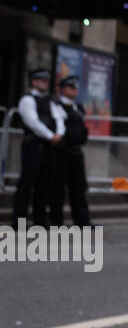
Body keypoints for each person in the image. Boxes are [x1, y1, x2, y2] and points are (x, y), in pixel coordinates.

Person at [12, 69, 64, 228]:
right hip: (33, 146)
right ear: (33, 82)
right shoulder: (27, 100)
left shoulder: (49, 101)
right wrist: (50, 135)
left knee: (44, 184)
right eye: (41, 80)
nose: (45, 83)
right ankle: (19, 221)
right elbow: (33, 122)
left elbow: (59, 118)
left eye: (46, 81)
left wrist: (59, 134)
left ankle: (40, 220)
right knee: (26, 184)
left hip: (48, 147)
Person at [52, 74, 92, 227]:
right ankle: (57, 221)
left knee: (79, 188)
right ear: (62, 89)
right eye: (70, 87)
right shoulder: (56, 106)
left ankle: (82, 221)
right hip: (62, 152)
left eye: (75, 87)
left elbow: (81, 129)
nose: (74, 90)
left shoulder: (78, 107)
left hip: (76, 152)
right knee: (58, 188)